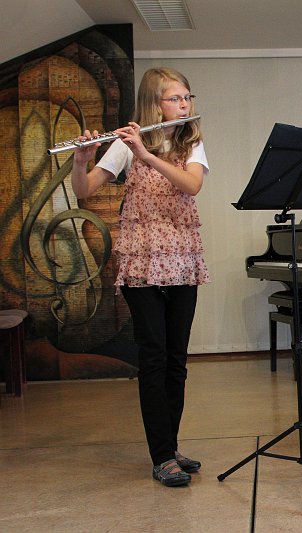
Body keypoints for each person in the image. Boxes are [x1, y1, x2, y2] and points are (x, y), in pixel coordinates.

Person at [71, 67, 211, 487]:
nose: (184, 105)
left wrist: (147, 156)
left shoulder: (190, 142)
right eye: (175, 98)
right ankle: (162, 456)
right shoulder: (125, 143)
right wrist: (81, 160)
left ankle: (170, 444)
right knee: (154, 356)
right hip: (142, 261)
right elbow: (85, 190)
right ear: (154, 102)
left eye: (187, 97)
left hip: (181, 257)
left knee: (177, 359)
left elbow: (191, 186)